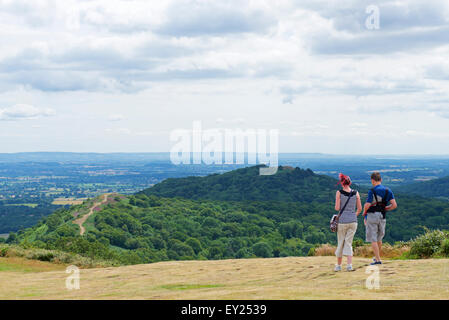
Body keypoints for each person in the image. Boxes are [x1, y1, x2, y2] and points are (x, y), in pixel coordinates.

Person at [363, 172, 398, 265]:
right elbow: (394, 205)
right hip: (383, 216)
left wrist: (364, 213)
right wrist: (386, 208)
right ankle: (376, 257)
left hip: (372, 215)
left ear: (372, 180)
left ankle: (378, 260)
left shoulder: (372, 190)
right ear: (381, 180)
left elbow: (367, 204)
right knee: (379, 238)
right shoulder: (388, 190)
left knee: (373, 238)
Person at [334, 173, 362, 272]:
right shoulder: (356, 193)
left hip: (342, 221)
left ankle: (338, 266)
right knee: (349, 243)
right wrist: (354, 215)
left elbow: (337, 208)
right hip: (353, 221)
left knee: (340, 242)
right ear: (349, 182)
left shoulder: (339, 192)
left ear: (342, 183)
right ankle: (349, 265)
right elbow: (359, 208)